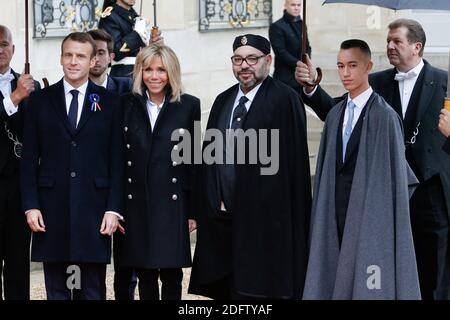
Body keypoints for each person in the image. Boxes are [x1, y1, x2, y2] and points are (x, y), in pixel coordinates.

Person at [296, 19, 449, 300]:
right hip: (382, 190)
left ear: (417, 46)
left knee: (433, 271)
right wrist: (311, 89)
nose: (389, 46)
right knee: (382, 261)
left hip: (429, 194)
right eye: (388, 41)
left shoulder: (445, 81)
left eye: (397, 41)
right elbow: (338, 112)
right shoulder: (377, 82)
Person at [189, 34, 312, 299]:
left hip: (265, 222)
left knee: (257, 292)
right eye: (238, 59)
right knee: (225, 289)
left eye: (252, 59)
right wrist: (209, 203)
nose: (244, 65)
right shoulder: (223, 100)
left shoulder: (285, 99)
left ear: (268, 61)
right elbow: (209, 158)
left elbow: (294, 168)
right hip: (223, 219)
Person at [20, 32, 124, 300]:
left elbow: (117, 160)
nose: (74, 61)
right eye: (69, 55)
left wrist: (113, 208)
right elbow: (29, 159)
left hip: (94, 211)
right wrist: (31, 204)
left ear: (92, 62)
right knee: (58, 290)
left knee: (91, 290)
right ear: (61, 58)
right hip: (51, 211)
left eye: (81, 56)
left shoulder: (110, 103)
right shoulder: (40, 101)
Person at [117, 44, 200, 300]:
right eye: (148, 69)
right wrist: (116, 208)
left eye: (161, 70)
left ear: (171, 72)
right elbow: (118, 159)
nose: (154, 76)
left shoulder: (188, 105)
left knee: (172, 275)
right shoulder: (125, 104)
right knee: (145, 274)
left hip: (172, 202)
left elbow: (193, 161)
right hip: (136, 202)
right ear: (140, 72)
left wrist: (193, 211)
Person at [86, 28, 137, 300]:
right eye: (90, 53)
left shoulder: (127, 89)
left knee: (127, 258)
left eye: (101, 53)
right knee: (90, 259)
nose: (95, 59)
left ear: (111, 57)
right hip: (89, 185)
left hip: (125, 181)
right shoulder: (71, 92)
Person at [0, 25, 40, 300]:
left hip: (17, 193)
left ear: (13, 50)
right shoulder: (18, 91)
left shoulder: (27, 85)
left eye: (4, 44)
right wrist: (14, 98)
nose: (0, 50)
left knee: (17, 266)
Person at [268, 0, 311, 92]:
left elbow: (307, 46)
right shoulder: (277, 26)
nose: (296, 8)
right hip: (285, 77)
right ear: (285, 6)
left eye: (299, 5)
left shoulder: (302, 24)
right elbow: (280, 52)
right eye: (293, 5)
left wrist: (307, 61)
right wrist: (298, 64)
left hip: (301, 75)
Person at [98, 0, 148, 77]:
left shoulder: (133, 16)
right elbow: (116, 52)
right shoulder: (110, 17)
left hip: (140, 72)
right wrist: (137, 34)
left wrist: (152, 43)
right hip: (123, 74)